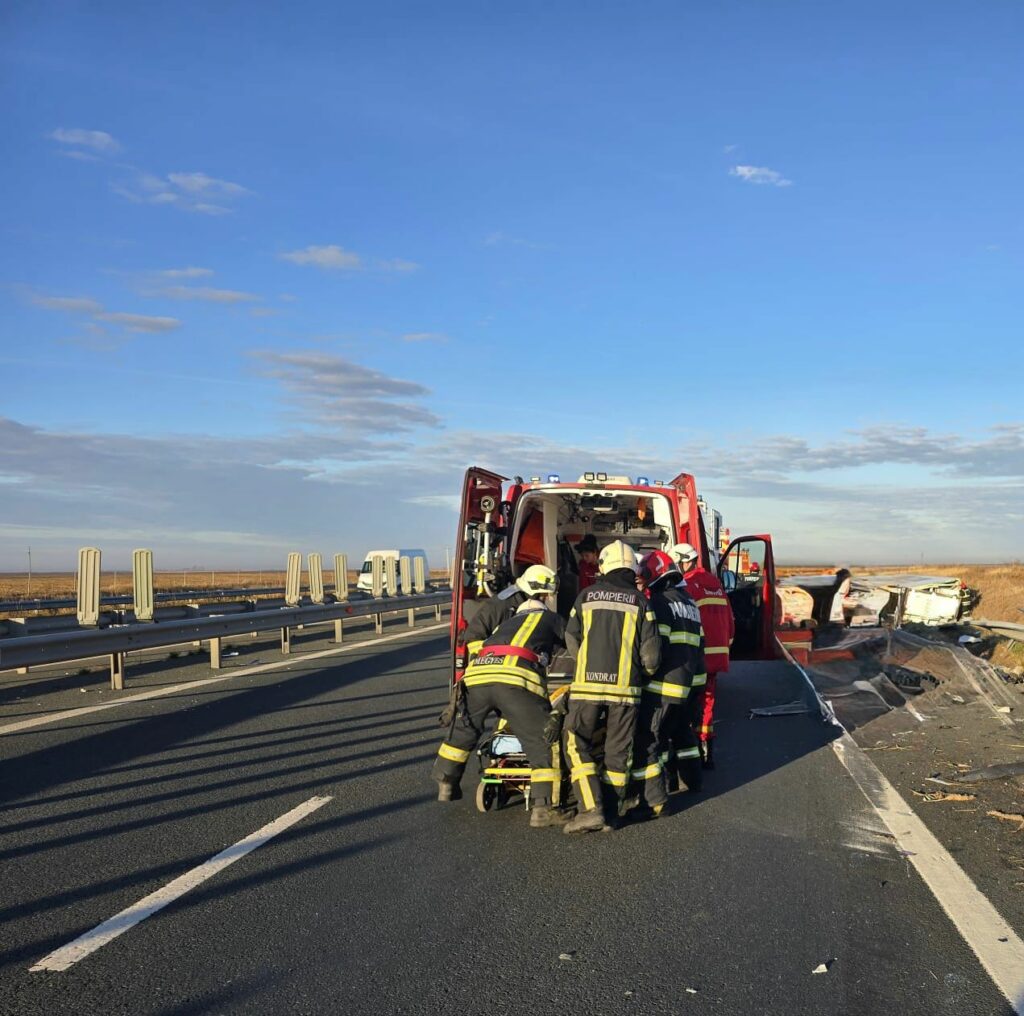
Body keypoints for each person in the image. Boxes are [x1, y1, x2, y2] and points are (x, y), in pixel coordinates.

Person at [433, 565, 572, 828]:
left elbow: (478, 637)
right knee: (543, 741)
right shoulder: (551, 619)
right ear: (543, 598)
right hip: (514, 682)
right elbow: (574, 643)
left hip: (477, 677)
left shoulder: (507, 621)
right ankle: (544, 808)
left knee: (464, 732)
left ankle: (446, 781)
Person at [561, 540, 661, 834]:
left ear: (604, 566)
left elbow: (571, 638)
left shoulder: (586, 596)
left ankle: (590, 809)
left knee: (575, 742)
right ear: (633, 568)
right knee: (617, 753)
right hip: (626, 692)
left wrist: (586, 664)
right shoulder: (642, 602)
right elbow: (651, 657)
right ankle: (611, 815)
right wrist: (642, 674)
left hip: (587, 689)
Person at [635, 550, 706, 799]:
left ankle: (656, 796)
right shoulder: (690, 603)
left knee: (653, 740)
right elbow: (700, 646)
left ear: (654, 573)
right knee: (682, 734)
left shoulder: (659, 602)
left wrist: (642, 674)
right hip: (688, 685)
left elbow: (657, 646)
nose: (641, 579)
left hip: (663, 686)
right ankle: (693, 782)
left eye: (644, 574)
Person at [672, 542, 734, 770]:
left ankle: (690, 754)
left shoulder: (687, 584)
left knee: (688, 704)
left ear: (683, 562)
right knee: (708, 703)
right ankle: (707, 752)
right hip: (717, 657)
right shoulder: (715, 583)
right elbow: (730, 622)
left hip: (697, 655)